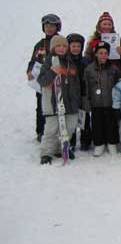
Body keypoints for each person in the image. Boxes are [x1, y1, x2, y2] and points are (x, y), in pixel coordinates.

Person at [38, 35, 81, 164]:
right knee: (52, 129)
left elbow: (76, 83)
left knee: (70, 126)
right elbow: (42, 81)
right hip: (53, 102)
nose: (61, 48)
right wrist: (52, 71)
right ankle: (46, 152)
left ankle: (62, 147)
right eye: (58, 46)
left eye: (63, 46)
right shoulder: (48, 62)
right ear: (53, 48)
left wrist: (76, 100)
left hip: (69, 102)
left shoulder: (70, 63)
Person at [28, 14, 61, 142]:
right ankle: (41, 131)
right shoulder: (40, 45)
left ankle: (57, 130)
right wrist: (30, 71)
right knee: (41, 106)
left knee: (57, 105)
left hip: (57, 80)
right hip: (42, 82)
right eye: (47, 26)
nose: (49, 28)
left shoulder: (60, 41)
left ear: (57, 27)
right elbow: (33, 60)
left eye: (52, 26)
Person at [84, 42, 119, 157]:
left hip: (110, 102)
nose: (103, 55)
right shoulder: (89, 69)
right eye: (100, 53)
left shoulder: (113, 69)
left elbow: (118, 86)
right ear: (96, 54)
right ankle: (99, 144)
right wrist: (87, 102)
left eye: (105, 53)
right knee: (97, 124)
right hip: (96, 102)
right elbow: (86, 86)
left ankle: (111, 143)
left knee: (111, 124)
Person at [66, 33, 92, 154]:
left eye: (78, 46)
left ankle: (85, 141)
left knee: (85, 118)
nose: (75, 48)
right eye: (73, 46)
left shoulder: (85, 61)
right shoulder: (66, 61)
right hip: (70, 95)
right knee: (71, 118)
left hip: (83, 93)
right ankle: (70, 141)